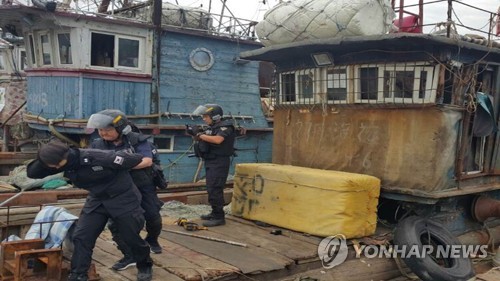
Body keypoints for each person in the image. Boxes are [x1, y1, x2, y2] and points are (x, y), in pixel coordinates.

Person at [26, 140, 153, 281]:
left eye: (57, 164)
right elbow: (32, 173)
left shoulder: (98, 157)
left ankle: (144, 264)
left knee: (129, 235)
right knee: (82, 236)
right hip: (97, 199)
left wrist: (119, 167)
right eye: (52, 166)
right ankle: (78, 274)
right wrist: (43, 157)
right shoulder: (59, 163)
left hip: (122, 197)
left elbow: (136, 159)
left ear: (65, 156)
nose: (55, 167)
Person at [86, 109, 164, 271]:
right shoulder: (97, 144)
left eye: (107, 130)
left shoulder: (137, 140)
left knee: (152, 215)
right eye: (100, 130)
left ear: (121, 129)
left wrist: (120, 165)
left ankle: (152, 239)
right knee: (117, 224)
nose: (103, 133)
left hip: (142, 183)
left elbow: (147, 161)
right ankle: (129, 255)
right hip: (118, 189)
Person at [188, 104, 236, 227]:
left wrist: (200, 135)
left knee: (215, 188)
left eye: (206, 116)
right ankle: (214, 213)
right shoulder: (212, 128)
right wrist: (195, 133)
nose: (204, 119)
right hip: (210, 160)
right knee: (211, 188)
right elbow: (205, 139)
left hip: (219, 161)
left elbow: (218, 140)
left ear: (215, 117)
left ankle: (219, 217)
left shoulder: (225, 127)